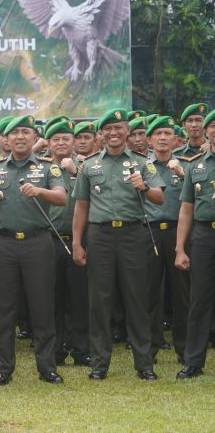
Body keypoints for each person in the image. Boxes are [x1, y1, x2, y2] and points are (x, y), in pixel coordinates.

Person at [72, 108, 165, 381]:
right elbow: (80, 207)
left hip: (133, 235)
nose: (113, 133)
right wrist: (77, 242)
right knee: (99, 300)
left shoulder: (142, 163)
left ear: (127, 131)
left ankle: (144, 364)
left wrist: (144, 188)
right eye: (108, 129)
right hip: (99, 236)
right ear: (102, 134)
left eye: (119, 128)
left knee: (136, 298)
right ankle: (100, 363)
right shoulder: (89, 165)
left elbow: (159, 197)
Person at [0, 115, 67, 386]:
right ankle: (3, 368)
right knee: (4, 308)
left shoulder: (48, 169)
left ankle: (47, 367)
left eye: (25, 132)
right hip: (2, 244)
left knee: (42, 306)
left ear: (33, 138)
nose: (18, 137)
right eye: (13, 133)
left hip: (37, 243)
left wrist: (40, 191)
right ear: (5, 139)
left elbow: (62, 197)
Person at [45, 120, 91, 367]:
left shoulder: (86, 166)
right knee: (52, 298)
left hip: (79, 240)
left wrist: (75, 172)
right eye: (56, 139)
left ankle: (82, 349)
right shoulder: (39, 168)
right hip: (47, 241)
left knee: (80, 297)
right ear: (48, 143)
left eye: (66, 139)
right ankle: (56, 350)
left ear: (74, 143)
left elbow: (96, 197)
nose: (61, 143)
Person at [144, 116, 188, 364]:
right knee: (150, 293)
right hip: (148, 232)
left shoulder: (186, 165)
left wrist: (182, 174)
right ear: (149, 139)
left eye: (167, 134)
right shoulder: (141, 166)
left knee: (181, 293)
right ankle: (150, 348)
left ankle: (184, 349)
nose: (162, 138)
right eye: (157, 134)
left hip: (177, 232)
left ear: (175, 139)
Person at [175, 109, 215, 379]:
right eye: (213, 127)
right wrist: (180, 248)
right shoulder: (197, 165)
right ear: (208, 132)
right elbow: (186, 209)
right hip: (204, 237)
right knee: (199, 299)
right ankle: (193, 362)